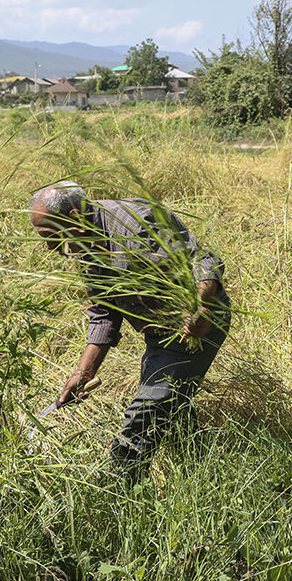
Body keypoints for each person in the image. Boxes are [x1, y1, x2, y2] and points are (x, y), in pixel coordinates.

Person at [28, 180, 231, 479]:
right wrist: (82, 375)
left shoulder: (135, 223)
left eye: (48, 235)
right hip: (159, 331)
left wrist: (201, 307)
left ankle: (122, 492)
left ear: (72, 217)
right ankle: (202, 470)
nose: (47, 246)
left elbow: (202, 260)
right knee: (171, 409)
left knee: (144, 416)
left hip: (198, 326)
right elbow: (104, 313)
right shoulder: (84, 243)